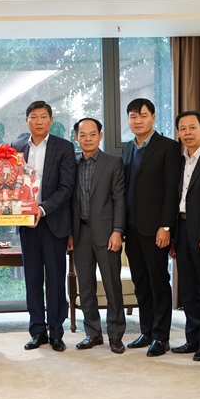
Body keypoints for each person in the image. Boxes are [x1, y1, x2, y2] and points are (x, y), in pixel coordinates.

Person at [12, 101, 76, 352]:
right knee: (32, 278)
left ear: (51, 120)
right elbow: (10, 184)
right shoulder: (16, 147)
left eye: (43, 117)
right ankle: (37, 330)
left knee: (56, 279)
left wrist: (41, 208)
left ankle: (57, 332)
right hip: (27, 224)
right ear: (26, 120)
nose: (38, 121)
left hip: (53, 222)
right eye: (33, 117)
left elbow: (66, 188)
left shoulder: (64, 147)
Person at [122, 98, 180, 357]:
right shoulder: (127, 148)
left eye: (143, 115)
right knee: (141, 282)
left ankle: (161, 336)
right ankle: (146, 331)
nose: (138, 120)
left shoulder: (168, 147)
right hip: (132, 227)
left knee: (158, 282)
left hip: (156, 228)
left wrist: (166, 226)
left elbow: (171, 190)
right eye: (133, 116)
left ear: (153, 118)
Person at [69, 118, 126, 354]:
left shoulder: (113, 162)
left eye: (93, 134)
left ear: (100, 136)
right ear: (76, 138)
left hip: (107, 233)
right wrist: (69, 233)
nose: (88, 139)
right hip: (80, 233)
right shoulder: (71, 164)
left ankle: (115, 334)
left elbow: (119, 198)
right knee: (86, 286)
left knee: (112, 285)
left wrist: (118, 231)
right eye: (83, 135)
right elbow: (68, 201)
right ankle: (92, 333)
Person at [169, 111, 200, 362]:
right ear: (178, 133)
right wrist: (173, 237)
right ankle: (193, 338)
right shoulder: (178, 161)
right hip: (181, 228)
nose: (187, 133)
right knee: (188, 289)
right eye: (182, 128)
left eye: (192, 127)